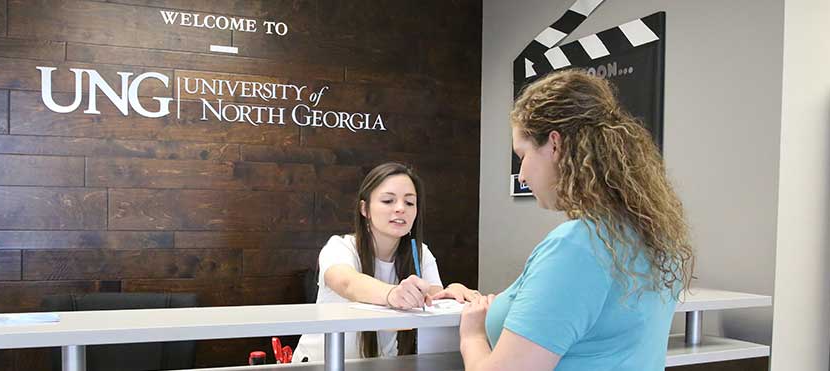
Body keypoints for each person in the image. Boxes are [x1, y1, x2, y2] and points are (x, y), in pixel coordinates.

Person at [458, 69, 695, 370]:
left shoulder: (577, 246)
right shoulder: (655, 238)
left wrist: (472, 337)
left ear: (554, 145)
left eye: (522, 155)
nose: (522, 174)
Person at [293, 162, 480, 362]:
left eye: (409, 203)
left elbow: (433, 298)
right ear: (365, 209)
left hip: (382, 364)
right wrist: (392, 294)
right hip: (322, 363)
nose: (400, 208)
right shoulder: (340, 247)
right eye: (388, 201)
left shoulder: (420, 253)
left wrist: (452, 294)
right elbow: (349, 283)